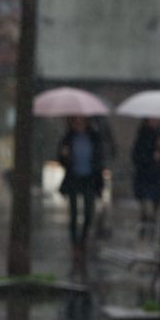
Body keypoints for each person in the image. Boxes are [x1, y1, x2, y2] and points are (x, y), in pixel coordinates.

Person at [58, 116, 105, 273]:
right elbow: (61, 158)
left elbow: (100, 158)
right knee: (73, 214)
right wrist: (64, 156)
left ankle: (82, 241)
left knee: (88, 213)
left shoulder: (94, 137)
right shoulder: (68, 137)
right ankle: (74, 244)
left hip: (89, 179)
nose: (79, 123)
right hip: (74, 179)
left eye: (81, 120)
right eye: (76, 121)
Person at [131, 118, 160, 240]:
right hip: (144, 176)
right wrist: (151, 157)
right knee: (145, 206)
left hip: (158, 177)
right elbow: (136, 156)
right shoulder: (142, 136)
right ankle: (144, 228)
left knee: (155, 205)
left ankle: (151, 230)